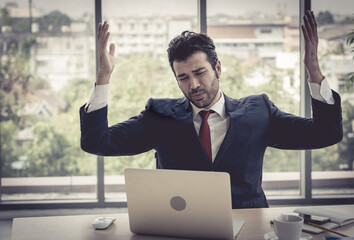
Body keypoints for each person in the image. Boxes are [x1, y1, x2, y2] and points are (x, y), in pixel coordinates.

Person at [80, 10, 343, 208]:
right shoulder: (158, 117)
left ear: (217, 68)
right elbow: (96, 142)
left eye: (200, 72)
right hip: (181, 229)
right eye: (183, 77)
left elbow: (326, 133)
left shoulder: (259, 112)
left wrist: (314, 71)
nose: (193, 84)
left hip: (248, 227)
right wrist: (103, 77)